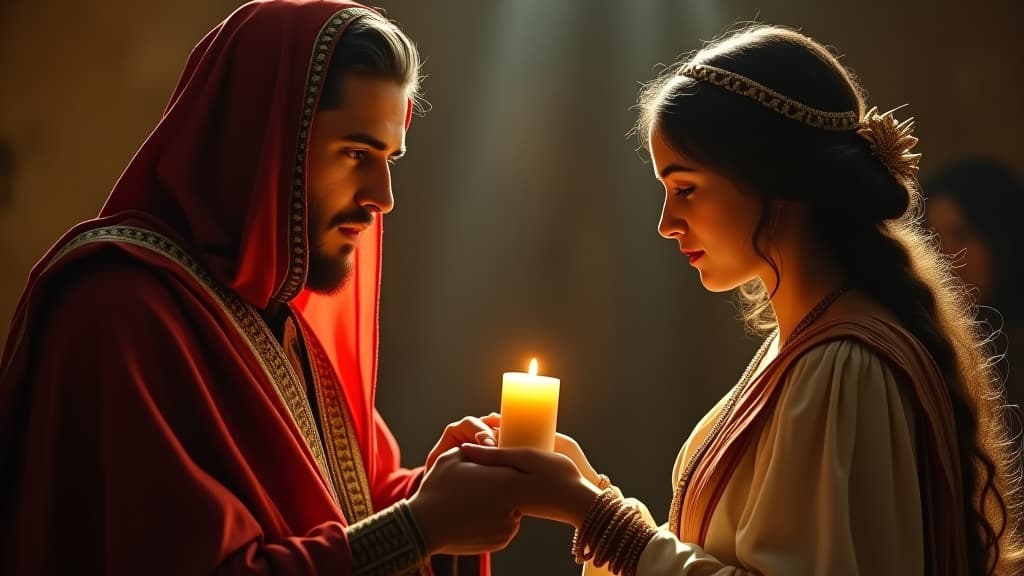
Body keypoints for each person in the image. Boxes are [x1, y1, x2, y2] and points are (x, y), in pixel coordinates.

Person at [460, 25, 1024, 575]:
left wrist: (596, 515)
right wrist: (590, 492)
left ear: (772, 180)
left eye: (685, 188)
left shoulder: (841, 367)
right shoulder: (806, 344)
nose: (665, 223)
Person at [0, 2, 519, 574]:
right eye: (355, 153)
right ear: (264, 141)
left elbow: (355, 509)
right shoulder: (116, 309)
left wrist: (446, 486)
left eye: (390, 158)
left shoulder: (281, 322)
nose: (383, 196)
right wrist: (423, 525)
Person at [924, 158, 1024, 408]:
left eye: (960, 235)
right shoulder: (933, 350)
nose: (943, 256)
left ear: (1001, 241)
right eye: (931, 239)